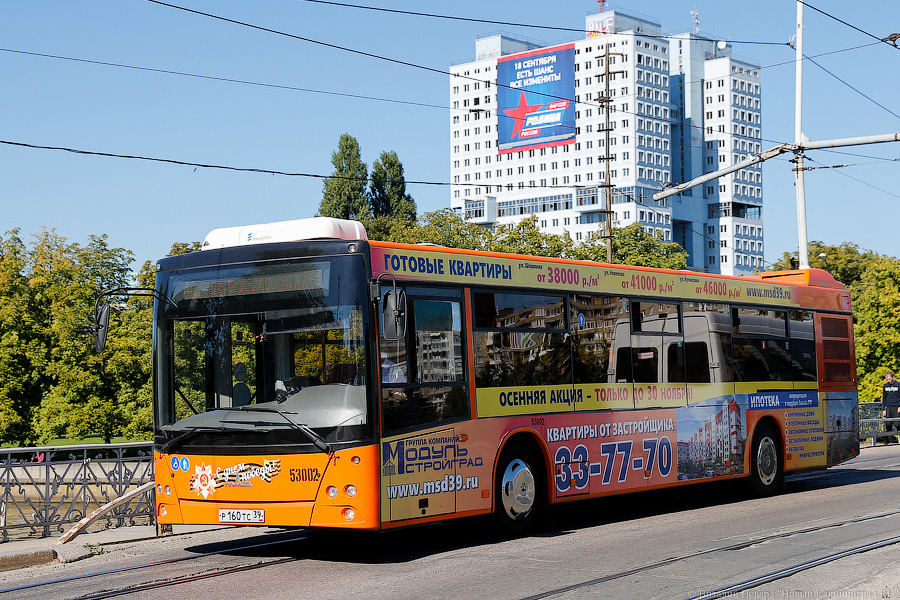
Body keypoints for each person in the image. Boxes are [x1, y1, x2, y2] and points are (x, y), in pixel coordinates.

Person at [882, 371, 900, 444]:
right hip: (888, 406)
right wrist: (884, 409)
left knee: (897, 424)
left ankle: (899, 439)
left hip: (896, 406)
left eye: (889, 379)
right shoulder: (885, 386)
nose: (888, 381)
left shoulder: (898, 385)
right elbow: (884, 398)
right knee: (888, 424)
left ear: (892, 377)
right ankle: (890, 441)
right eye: (887, 379)